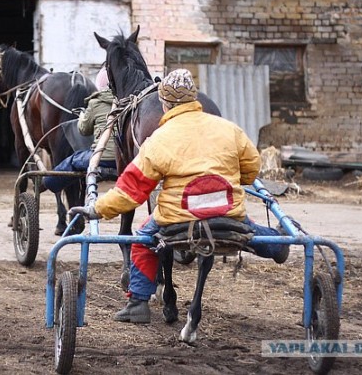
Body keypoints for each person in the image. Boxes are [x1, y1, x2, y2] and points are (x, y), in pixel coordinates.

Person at [69, 68, 288, 324]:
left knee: (142, 241)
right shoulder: (230, 130)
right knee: (250, 231)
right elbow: (252, 167)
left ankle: (138, 302)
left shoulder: (158, 140)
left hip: (175, 221)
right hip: (228, 214)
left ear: (164, 103)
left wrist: (98, 209)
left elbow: (131, 190)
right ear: (195, 99)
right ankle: (278, 246)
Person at [42, 66, 117, 194]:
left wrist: (83, 117)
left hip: (100, 158)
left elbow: (84, 130)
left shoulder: (95, 103)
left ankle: (47, 183)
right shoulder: (124, 102)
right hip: (122, 159)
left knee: (74, 159)